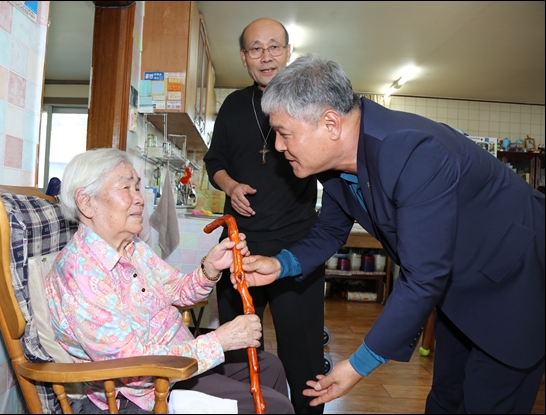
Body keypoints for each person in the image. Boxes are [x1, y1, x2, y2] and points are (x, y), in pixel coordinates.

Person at [240, 53, 545, 413]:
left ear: (330, 124)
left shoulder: (412, 151)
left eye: (284, 133)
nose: (278, 146)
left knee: (488, 400)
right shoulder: (337, 164)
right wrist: (280, 265)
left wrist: (359, 364)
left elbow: (423, 275)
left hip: (515, 282)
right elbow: (330, 230)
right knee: (447, 395)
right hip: (460, 284)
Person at [45, 148, 294, 414]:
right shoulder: (79, 272)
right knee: (276, 407)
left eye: (137, 187)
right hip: (146, 391)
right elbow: (130, 364)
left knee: (271, 367)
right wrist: (219, 341)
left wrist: (210, 267)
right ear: (86, 202)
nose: (139, 199)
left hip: (176, 364)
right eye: (126, 188)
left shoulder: (132, 247)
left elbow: (177, 290)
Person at [203, 18, 326, 414]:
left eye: (274, 46)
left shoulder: (310, 102)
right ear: (244, 58)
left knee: (304, 352)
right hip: (239, 245)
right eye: (256, 48)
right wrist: (230, 186)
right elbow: (214, 161)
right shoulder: (233, 106)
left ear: (288, 52)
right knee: (237, 350)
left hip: (297, 245)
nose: (266, 56)